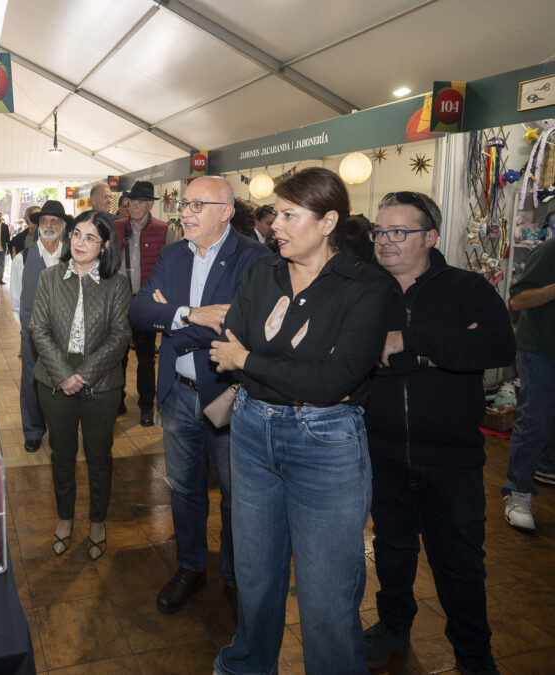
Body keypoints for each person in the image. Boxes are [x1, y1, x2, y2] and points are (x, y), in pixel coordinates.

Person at [209, 167, 392, 674]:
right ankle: (246, 665)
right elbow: (229, 341)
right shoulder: (261, 273)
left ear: (329, 220)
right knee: (256, 575)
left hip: (326, 441)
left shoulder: (365, 287)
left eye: (290, 215)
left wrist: (250, 361)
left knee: (328, 592)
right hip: (250, 430)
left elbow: (331, 381)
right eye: (274, 215)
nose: (275, 226)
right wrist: (290, 365)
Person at [362, 191, 513, 675]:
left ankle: (474, 654)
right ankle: (393, 626)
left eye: (399, 232)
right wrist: (445, 352)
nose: (386, 242)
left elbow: (495, 345)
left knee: (460, 564)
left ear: (430, 237)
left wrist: (410, 341)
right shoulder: (363, 290)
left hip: (451, 457)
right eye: (380, 232)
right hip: (381, 451)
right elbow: (349, 362)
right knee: (391, 549)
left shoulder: (465, 287)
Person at [129, 176, 268, 618]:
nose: (184, 212)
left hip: (227, 396)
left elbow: (239, 329)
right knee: (185, 490)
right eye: (184, 204)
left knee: (234, 494)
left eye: (195, 205)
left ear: (224, 211)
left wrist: (172, 322)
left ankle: (232, 575)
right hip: (178, 396)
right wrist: (191, 315)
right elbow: (139, 311)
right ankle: (191, 567)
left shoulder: (254, 258)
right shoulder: (173, 254)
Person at [30, 210, 131, 561]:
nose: (80, 242)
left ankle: (98, 520)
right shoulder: (49, 277)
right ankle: (65, 516)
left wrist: (83, 374)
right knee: (61, 453)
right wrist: (64, 374)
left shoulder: (117, 283)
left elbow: (120, 336)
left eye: (90, 237)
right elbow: (38, 330)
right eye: (76, 234)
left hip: (101, 382)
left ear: (104, 246)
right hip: (54, 380)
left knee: (99, 455)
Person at [502, 236, 555, 531]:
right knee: (534, 420)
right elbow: (518, 300)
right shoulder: (549, 250)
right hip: (541, 351)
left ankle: (547, 468)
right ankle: (517, 491)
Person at [10, 201, 69, 452]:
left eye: (55, 221)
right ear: (37, 226)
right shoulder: (22, 259)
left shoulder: (73, 256)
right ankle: (33, 430)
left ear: (64, 226)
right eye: (44, 221)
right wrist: (27, 329)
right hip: (32, 333)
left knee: (64, 381)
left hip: (67, 335)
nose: (49, 226)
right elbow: (16, 301)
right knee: (31, 382)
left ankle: (61, 430)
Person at [114, 180, 168, 425]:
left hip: (146, 303)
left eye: (138, 202)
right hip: (118, 302)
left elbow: (171, 269)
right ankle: (117, 401)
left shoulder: (164, 230)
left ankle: (147, 405)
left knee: (146, 358)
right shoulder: (115, 228)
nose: (133, 206)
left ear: (149, 205)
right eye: (131, 201)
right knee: (117, 355)